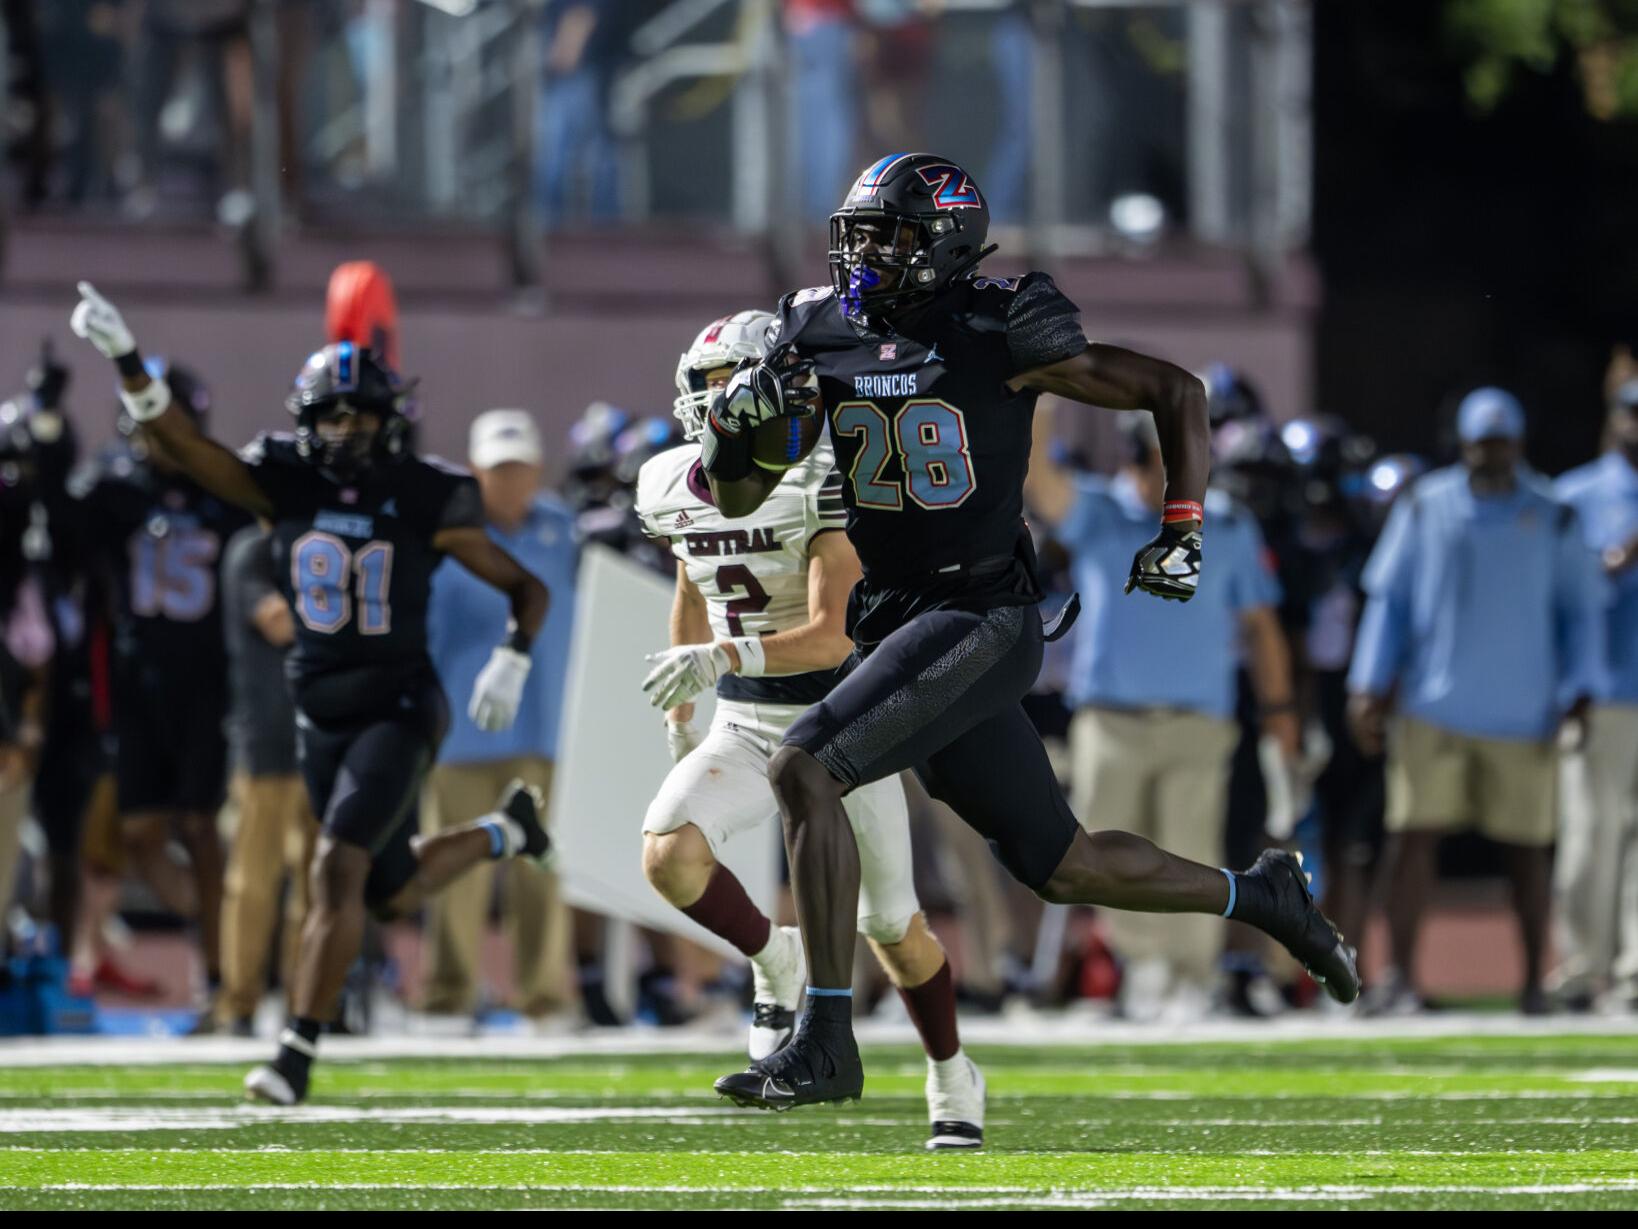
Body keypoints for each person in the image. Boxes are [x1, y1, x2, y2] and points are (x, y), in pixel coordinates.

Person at [703, 153, 1357, 1110]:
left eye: (887, 234)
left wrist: (1182, 526)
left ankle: (828, 1037)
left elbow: (1176, 390)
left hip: (983, 613)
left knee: (805, 764)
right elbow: (738, 490)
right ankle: (1262, 896)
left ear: (945, 243)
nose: (863, 253)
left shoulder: (997, 325)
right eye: (858, 232)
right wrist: (737, 431)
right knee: (1061, 863)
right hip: (897, 616)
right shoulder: (819, 327)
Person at [70, 284, 553, 1104]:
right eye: (328, 416)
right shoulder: (282, 481)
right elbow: (184, 446)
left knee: (334, 869)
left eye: (356, 415)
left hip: (399, 704)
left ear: (387, 418)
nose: (341, 430)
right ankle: (507, 830)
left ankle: (294, 1051)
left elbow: (526, 589)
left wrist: (512, 656)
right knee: (387, 887)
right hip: (317, 711)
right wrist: (124, 358)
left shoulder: (423, 493)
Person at [637, 311, 984, 1149]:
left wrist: (718, 654)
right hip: (748, 717)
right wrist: (691, 685)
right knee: (668, 854)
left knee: (893, 929)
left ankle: (951, 1069)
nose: (720, 401)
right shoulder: (666, 479)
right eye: (709, 386)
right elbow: (695, 571)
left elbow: (834, 632)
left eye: (735, 384)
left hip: (841, 728)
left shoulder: (822, 474)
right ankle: (774, 956)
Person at [1029, 409, 1298, 1022]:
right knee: (1108, 851)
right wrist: (1042, 399)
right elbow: (1037, 477)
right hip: (1110, 719)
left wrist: (1281, 712)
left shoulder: (1227, 524)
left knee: (1192, 850)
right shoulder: (1101, 512)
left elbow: (1261, 626)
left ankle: (1190, 975)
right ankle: (1141, 966)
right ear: (1137, 462)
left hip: (1199, 720)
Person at [1347, 388, 1607, 1016]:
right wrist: (1366, 685)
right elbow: (1391, 604)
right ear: (1461, 444)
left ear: (1519, 444)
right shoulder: (1424, 505)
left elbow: (1582, 612)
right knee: (1411, 840)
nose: (1491, 454)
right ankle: (1401, 979)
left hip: (1524, 711)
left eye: (1502, 442)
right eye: (1480, 443)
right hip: (1432, 709)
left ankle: (1532, 984)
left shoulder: (1554, 515)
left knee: (1526, 852)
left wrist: (1580, 686)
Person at [61, 360, 252, 1024]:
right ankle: (241, 924)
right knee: (140, 833)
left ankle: (222, 971)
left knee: (200, 827)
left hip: (205, 685)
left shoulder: (221, 492)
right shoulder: (114, 488)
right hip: (138, 685)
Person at [420, 410, 577, 1027]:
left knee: (541, 871)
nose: (507, 481)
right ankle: (448, 994)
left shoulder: (563, 531)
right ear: (475, 471)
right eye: (496, 469)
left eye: (517, 468)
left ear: (536, 470)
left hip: (541, 728)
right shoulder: (451, 537)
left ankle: (543, 994)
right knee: (455, 874)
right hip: (460, 731)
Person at [1550, 384, 1638, 1011]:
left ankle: (1635, 974)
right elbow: (1562, 598)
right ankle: (1584, 965)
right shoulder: (1576, 496)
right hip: (1599, 690)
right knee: (1590, 835)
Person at [216, 525, 317, 1035]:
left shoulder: (320, 545)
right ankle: (240, 1001)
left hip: (320, 738)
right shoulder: (253, 552)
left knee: (318, 884)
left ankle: (309, 1000)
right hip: (266, 742)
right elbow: (277, 621)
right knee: (254, 881)